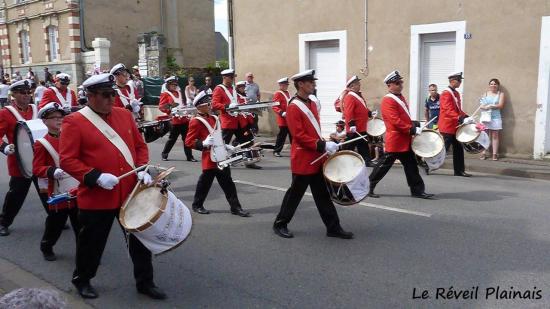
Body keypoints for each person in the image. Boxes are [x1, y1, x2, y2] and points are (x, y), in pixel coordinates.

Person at [60, 73, 166, 300]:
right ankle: (83, 279)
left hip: (129, 192)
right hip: (97, 196)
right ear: (90, 96)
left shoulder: (124, 115)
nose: (111, 99)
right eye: (105, 95)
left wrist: (142, 169)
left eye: (113, 94)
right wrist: (95, 177)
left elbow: (140, 146)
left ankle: (145, 281)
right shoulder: (74, 121)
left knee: (139, 240)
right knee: (92, 243)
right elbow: (67, 160)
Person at [272, 69, 353, 239]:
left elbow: (314, 131)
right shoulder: (293, 107)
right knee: (294, 195)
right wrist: (322, 145)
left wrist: (329, 142)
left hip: (316, 157)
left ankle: (333, 227)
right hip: (303, 160)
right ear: (301, 84)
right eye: (310, 82)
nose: (314, 85)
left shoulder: (312, 104)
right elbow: (299, 136)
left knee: (322, 195)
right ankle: (280, 224)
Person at [367, 70, 434, 199]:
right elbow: (395, 121)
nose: (400, 85)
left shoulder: (400, 97)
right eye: (397, 83)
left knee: (411, 166)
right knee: (383, 166)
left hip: (404, 139)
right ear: (390, 85)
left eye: (401, 82)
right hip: (396, 139)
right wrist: (412, 130)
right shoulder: (388, 100)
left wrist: (415, 124)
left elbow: (404, 118)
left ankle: (417, 191)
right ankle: (367, 186)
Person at [185, 91, 251, 217]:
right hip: (209, 158)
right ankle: (197, 205)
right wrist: (202, 143)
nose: (210, 106)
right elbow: (188, 142)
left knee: (228, 183)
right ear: (200, 106)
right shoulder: (195, 121)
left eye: (210, 103)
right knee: (204, 184)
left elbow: (218, 137)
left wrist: (226, 146)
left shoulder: (215, 118)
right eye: (207, 104)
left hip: (221, 156)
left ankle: (235, 208)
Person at [32, 102, 80, 261]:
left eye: (61, 117)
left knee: (81, 223)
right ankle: (46, 246)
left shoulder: (72, 137)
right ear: (44, 121)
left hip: (76, 186)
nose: (59, 120)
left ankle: (86, 253)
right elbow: (37, 168)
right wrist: (52, 171)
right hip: (57, 190)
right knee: (56, 223)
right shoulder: (41, 144)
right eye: (54, 118)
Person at [0, 80, 43, 236]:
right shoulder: (6, 113)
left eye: (28, 93)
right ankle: (3, 222)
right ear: (13, 95)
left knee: (47, 192)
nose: (26, 96)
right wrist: (4, 147)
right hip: (20, 162)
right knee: (16, 195)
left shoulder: (36, 109)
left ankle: (56, 219)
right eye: (22, 93)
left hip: (40, 159)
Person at [211, 69, 261, 169]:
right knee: (223, 143)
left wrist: (243, 105)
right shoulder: (219, 89)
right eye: (231, 77)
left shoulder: (233, 88)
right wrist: (227, 105)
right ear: (224, 77)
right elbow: (214, 104)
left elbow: (237, 100)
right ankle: (219, 162)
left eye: (233, 77)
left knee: (246, 140)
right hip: (228, 121)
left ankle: (249, 161)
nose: (233, 79)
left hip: (238, 120)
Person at [438, 72, 474, 177]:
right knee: (443, 149)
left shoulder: (456, 94)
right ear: (452, 81)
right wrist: (460, 117)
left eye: (460, 80)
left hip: (455, 126)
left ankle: (459, 171)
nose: (460, 82)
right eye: (459, 80)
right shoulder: (446, 93)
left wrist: (466, 116)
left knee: (458, 148)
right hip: (447, 126)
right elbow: (447, 110)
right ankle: (427, 164)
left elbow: (458, 109)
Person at [159, 76, 197, 162]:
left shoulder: (179, 92)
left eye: (175, 85)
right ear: (168, 85)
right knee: (172, 139)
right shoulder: (165, 94)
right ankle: (164, 154)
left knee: (187, 139)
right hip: (175, 120)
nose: (174, 86)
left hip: (183, 119)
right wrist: (171, 109)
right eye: (172, 85)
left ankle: (189, 156)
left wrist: (185, 108)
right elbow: (161, 107)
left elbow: (182, 103)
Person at [342, 75, 374, 166]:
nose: (359, 85)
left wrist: (370, 113)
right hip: (354, 127)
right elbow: (349, 112)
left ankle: (367, 161)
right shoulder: (350, 97)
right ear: (352, 86)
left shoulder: (357, 95)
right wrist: (352, 124)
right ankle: (344, 161)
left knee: (363, 144)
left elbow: (363, 109)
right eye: (357, 84)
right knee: (349, 147)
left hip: (361, 127)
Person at [479, 78, 505, 161]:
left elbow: (501, 106)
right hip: (485, 117)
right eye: (491, 84)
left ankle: (494, 154)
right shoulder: (485, 94)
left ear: (498, 85)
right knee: (484, 135)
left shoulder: (501, 94)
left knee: (495, 136)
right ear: (489, 85)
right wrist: (484, 107)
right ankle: (483, 152)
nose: (493, 85)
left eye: (495, 84)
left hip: (495, 118)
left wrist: (491, 106)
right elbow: (481, 105)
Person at [272, 77, 292, 157]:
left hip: (289, 119)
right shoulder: (278, 93)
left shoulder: (287, 93)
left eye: (287, 85)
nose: (286, 86)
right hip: (283, 119)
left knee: (292, 136)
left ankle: (295, 150)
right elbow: (275, 106)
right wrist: (282, 112)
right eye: (284, 85)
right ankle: (276, 151)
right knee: (282, 136)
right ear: (280, 85)